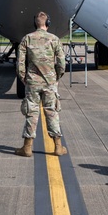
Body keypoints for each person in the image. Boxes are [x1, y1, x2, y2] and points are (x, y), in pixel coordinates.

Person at [14, 11, 67, 157]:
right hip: (50, 82)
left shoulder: (27, 39)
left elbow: (20, 63)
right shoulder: (54, 39)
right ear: (48, 23)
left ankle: (27, 147)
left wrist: (24, 78)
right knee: (51, 111)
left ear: (34, 23)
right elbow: (62, 63)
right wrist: (56, 76)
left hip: (32, 82)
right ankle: (57, 146)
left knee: (31, 112)